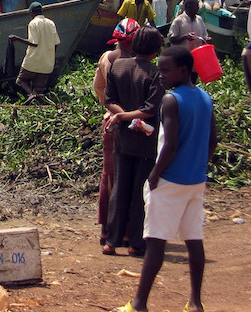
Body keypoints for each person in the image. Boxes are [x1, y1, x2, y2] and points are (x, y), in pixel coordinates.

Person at [115, 46, 216, 312]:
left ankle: (139, 304)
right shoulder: (205, 98)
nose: (161, 75)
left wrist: (155, 174)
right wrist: (198, 166)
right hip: (195, 181)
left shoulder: (171, 100)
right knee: (194, 240)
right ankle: (195, 302)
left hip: (170, 180)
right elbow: (212, 141)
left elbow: (169, 145)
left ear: (184, 70)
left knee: (156, 241)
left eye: (165, 70)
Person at [102, 26, 165, 258]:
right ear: (156, 49)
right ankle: (135, 243)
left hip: (123, 138)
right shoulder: (156, 73)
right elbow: (149, 110)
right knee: (141, 189)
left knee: (120, 187)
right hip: (146, 140)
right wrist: (131, 117)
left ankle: (111, 241)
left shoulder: (118, 66)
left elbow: (109, 100)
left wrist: (121, 115)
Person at [93, 18, 141, 247]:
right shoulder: (137, 62)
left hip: (110, 121)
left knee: (108, 175)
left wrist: (108, 107)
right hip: (134, 123)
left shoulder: (106, 58)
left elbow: (98, 88)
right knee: (130, 176)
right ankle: (125, 232)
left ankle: (106, 229)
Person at [9, 2, 60, 103]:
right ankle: (37, 102)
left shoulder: (33, 23)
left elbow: (34, 43)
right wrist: (51, 56)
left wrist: (17, 38)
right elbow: (56, 43)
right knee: (40, 90)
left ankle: (31, 94)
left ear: (32, 13)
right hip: (47, 63)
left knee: (21, 80)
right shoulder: (51, 23)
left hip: (33, 60)